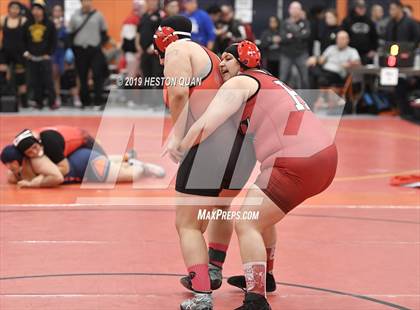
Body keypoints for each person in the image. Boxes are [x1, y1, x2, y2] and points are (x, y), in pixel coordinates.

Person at [176, 40, 338, 309]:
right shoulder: (271, 81)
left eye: (227, 59)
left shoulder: (240, 83)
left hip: (294, 162)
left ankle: (256, 299)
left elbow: (207, 123)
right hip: (324, 157)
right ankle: (268, 275)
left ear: (242, 63)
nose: (222, 65)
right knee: (260, 216)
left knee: (246, 221)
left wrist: (180, 146)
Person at [154, 15, 256, 309]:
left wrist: (179, 135)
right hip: (240, 147)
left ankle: (202, 294)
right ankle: (214, 268)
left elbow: (177, 94)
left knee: (187, 225)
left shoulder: (176, 49)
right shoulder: (210, 55)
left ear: (163, 40)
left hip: (209, 144)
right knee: (222, 206)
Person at [1, 144, 165, 188]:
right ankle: (125, 158)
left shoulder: (36, 161)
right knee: (107, 164)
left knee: (128, 177)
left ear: (16, 161)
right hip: (83, 160)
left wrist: (31, 185)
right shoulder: (21, 167)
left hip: (86, 165)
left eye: (9, 164)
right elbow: (12, 178)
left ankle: (140, 166)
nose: (9, 168)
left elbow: (56, 177)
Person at [68, 0, 109, 108]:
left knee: (97, 74)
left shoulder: (98, 15)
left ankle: (98, 101)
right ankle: (85, 101)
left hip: (95, 50)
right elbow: (70, 33)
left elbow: (104, 33)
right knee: (82, 76)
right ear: (81, 2)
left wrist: (99, 44)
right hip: (80, 50)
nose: (86, 3)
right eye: (84, 1)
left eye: (88, 1)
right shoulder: (74, 16)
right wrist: (71, 49)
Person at [23, 0, 58, 109]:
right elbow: (23, 40)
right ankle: (39, 103)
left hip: (45, 57)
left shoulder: (50, 24)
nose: (36, 11)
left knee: (48, 81)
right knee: (35, 81)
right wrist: (26, 52)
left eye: (38, 9)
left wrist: (49, 54)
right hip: (32, 57)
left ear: (43, 10)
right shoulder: (27, 24)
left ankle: (52, 102)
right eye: (34, 9)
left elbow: (54, 41)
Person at [0, 1, 28, 107]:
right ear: (9, 9)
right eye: (12, 8)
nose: (14, 10)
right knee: (1, 76)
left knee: (21, 78)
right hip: (5, 52)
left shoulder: (23, 20)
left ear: (19, 10)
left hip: (19, 53)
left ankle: (24, 103)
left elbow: (27, 38)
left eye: (17, 8)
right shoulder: (3, 19)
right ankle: (2, 99)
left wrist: (27, 51)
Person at [279, 1, 311, 88]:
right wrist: (298, 33)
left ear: (301, 10)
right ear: (289, 10)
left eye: (297, 9)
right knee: (283, 78)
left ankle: (306, 100)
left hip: (301, 54)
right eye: (293, 8)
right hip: (286, 54)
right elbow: (282, 38)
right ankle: (281, 100)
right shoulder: (284, 23)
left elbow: (306, 35)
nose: (295, 10)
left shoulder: (305, 22)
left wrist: (291, 35)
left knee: (305, 78)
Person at [342, 0, 378, 65]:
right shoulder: (347, 20)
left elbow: (374, 37)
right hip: (350, 54)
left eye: (364, 7)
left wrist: (373, 50)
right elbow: (343, 36)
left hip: (366, 55)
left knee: (367, 73)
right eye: (360, 7)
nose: (362, 9)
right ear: (355, 8)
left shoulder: (369, 21)